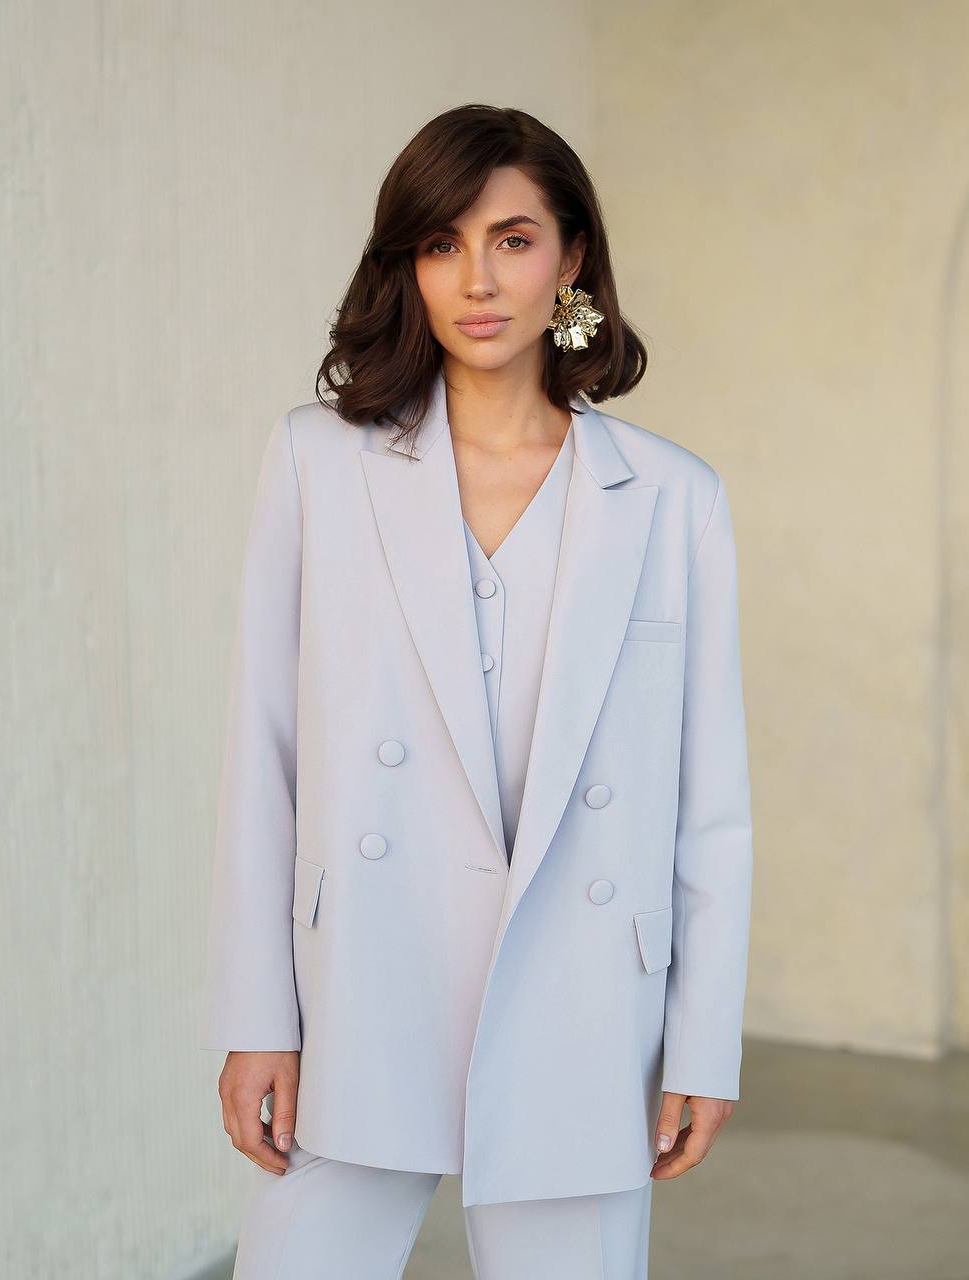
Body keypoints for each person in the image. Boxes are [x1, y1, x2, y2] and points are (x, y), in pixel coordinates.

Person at [201, 103, 754, 1279]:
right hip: (360, 981)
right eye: (441, 243)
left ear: (571, 262)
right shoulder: (317, 463)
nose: (476, 278)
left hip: (584, 994)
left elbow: (710, 800)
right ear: (406, 263)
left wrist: (702, 1039)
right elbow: (265, 751)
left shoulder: (669, 497)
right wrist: (257, 1017)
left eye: (511, 238)